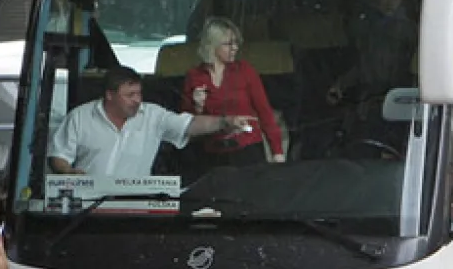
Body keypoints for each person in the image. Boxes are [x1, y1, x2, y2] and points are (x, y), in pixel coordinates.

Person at [48, 66, 255, 177]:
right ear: (109, 95)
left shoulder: (153, 116)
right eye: (130, 95)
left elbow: (189, 125)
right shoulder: (80, 117)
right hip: (85, 209)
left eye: (139, 94)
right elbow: (58, 155)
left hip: (135, 209)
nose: (137, 100)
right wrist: (68, 172)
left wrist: (224, 122)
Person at [181, 16, 285, 166]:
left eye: (236, 43)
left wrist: (277, 153)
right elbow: (184, 124)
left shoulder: (245, 71)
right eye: (228, 44)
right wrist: (196, 106)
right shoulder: (194, 76)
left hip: (247, 150)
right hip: (212, 155)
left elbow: (265, 113)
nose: (235, 47)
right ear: (212, 46)